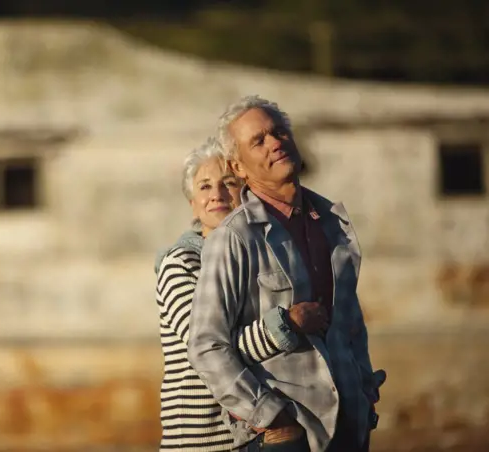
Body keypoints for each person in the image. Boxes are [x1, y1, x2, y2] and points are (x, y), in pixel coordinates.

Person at [188, 96, 385, 452]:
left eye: (279, 132)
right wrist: (270, 417)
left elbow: (351, 319)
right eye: (258, 140)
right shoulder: (233, 238)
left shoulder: (331, 222)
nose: (275, 143)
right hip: (288, 433)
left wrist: (365, 386)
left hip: (350, 425)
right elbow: (206, 346)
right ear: (239, 167)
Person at [155, 138, 303, 451]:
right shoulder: (180, 263)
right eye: (204, 187)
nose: (217, 195)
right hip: (203, 439)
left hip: (255, 434)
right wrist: (285, 326)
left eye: (228, 183)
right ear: (192, 203)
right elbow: (207, 349)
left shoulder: (258, 257)